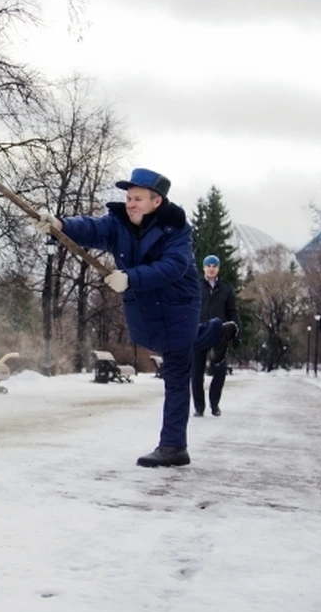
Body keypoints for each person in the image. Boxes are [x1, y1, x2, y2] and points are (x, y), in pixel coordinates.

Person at [36, 168, 238, 468]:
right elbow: (93, 230)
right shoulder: (119, 222)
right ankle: (215, 333)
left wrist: (129, 277)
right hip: (144, 302)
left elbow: (173, 266)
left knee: (176, 366)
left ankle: (173, 446)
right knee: (153, 341)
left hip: (177, 303)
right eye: (129, 197)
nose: (130, 203)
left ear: (156, 202)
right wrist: (60, 224)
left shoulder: (176, 228)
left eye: (138, 198)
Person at [191, 254, 240, 417]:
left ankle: (214, 404)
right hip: (198, 333)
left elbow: (233, 312)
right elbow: (188, 309)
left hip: (219, 334)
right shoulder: (196, 286)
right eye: (208, 265)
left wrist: (235, 333)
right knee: (196, 372)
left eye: (214, 266)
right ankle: (199, 406)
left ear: (218, 268)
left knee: (220, 371)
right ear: (203, 268)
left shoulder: (226, 288)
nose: (211, 268)